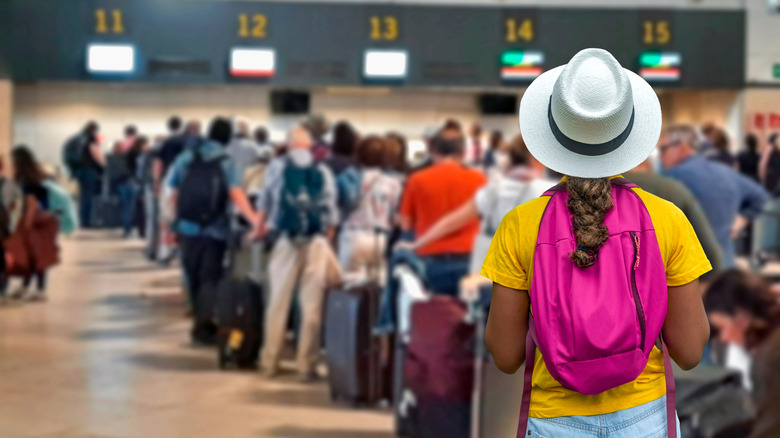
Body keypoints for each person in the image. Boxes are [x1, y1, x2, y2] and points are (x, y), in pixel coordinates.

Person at [483, 48, 710, 437]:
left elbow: (505, 357)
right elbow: (689, 352)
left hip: (555, 420)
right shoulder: (667, 219)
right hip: (646, 418)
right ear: (627, 131)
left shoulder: (520, 226)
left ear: (553, 130)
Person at [398, 134, 556, 274]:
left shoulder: (495, 188)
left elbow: (450, 222)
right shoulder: (550, 192)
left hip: (479, 267)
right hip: (531, 270)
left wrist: (416, 244)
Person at [256, 126, 341, 381]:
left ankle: (270, 360)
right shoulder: (323, 170)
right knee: (311, 305)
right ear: (310, 146)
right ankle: (306, 365)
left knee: (278, 302)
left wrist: (259, 228)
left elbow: (264, 202)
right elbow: (331, 213)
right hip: (315, 242)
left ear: (288, 144)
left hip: (285, 240)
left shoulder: (277, 167)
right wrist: (326, 237)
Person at [165, 117, 260, 345]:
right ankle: (203, 326)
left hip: (187, 227)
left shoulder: (186, 158)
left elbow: (173, 192)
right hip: (214, 230)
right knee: (210, 277)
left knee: (193, 275)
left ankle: (199, 321)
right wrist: (255, 219)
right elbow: (236, 195)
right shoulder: (226, 162)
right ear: (228, 139)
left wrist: (171, 223)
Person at [660, 125, 769, 269]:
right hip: (725, 265)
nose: (661, 156)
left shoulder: (670, 177)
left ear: (682, 148)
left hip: (689, 270)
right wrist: (739, 222)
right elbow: (761, 197)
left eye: (663, 149)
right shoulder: (725, 172)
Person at [398, 131, 487, 296]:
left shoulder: (417, 180)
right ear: (462, 152)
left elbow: (405, 224)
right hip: (469, 257)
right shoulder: (479, 179)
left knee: (436, 315)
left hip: (430, 258)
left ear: (433, 152)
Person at [704, 270, 780, 438]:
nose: (724, 338)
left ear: (741, 317)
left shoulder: (769, 358)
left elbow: (770, 429)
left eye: (723, 327)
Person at [626, 159, 723, 281]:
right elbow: (710, 252)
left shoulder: (600, 191)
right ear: (645, 164)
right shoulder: (674, 190)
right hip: (666, 287)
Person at [338, 136, 402, 279]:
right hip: (380, 238)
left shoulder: (348, 178)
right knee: (378, 285)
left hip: (353, 235)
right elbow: (395, 215)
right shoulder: (393, 183)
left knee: (350, 285)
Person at [10, 146, 57, 301]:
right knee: (35, 256)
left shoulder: (25, 179)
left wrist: (26, 225)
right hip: (44, 219)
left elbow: (31, 203)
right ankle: (28, 287)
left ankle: (40, 290)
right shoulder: (35, 174)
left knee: (36, 256)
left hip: (33, 221)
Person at [68, 122, 105, 228]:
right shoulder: (90, 138)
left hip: (80, 171)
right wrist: (105, 165)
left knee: (84, 197)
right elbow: (96, 153)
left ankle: (83, 220)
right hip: (90, 172)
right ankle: (87, 221)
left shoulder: (79, 138)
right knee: (89, 197)